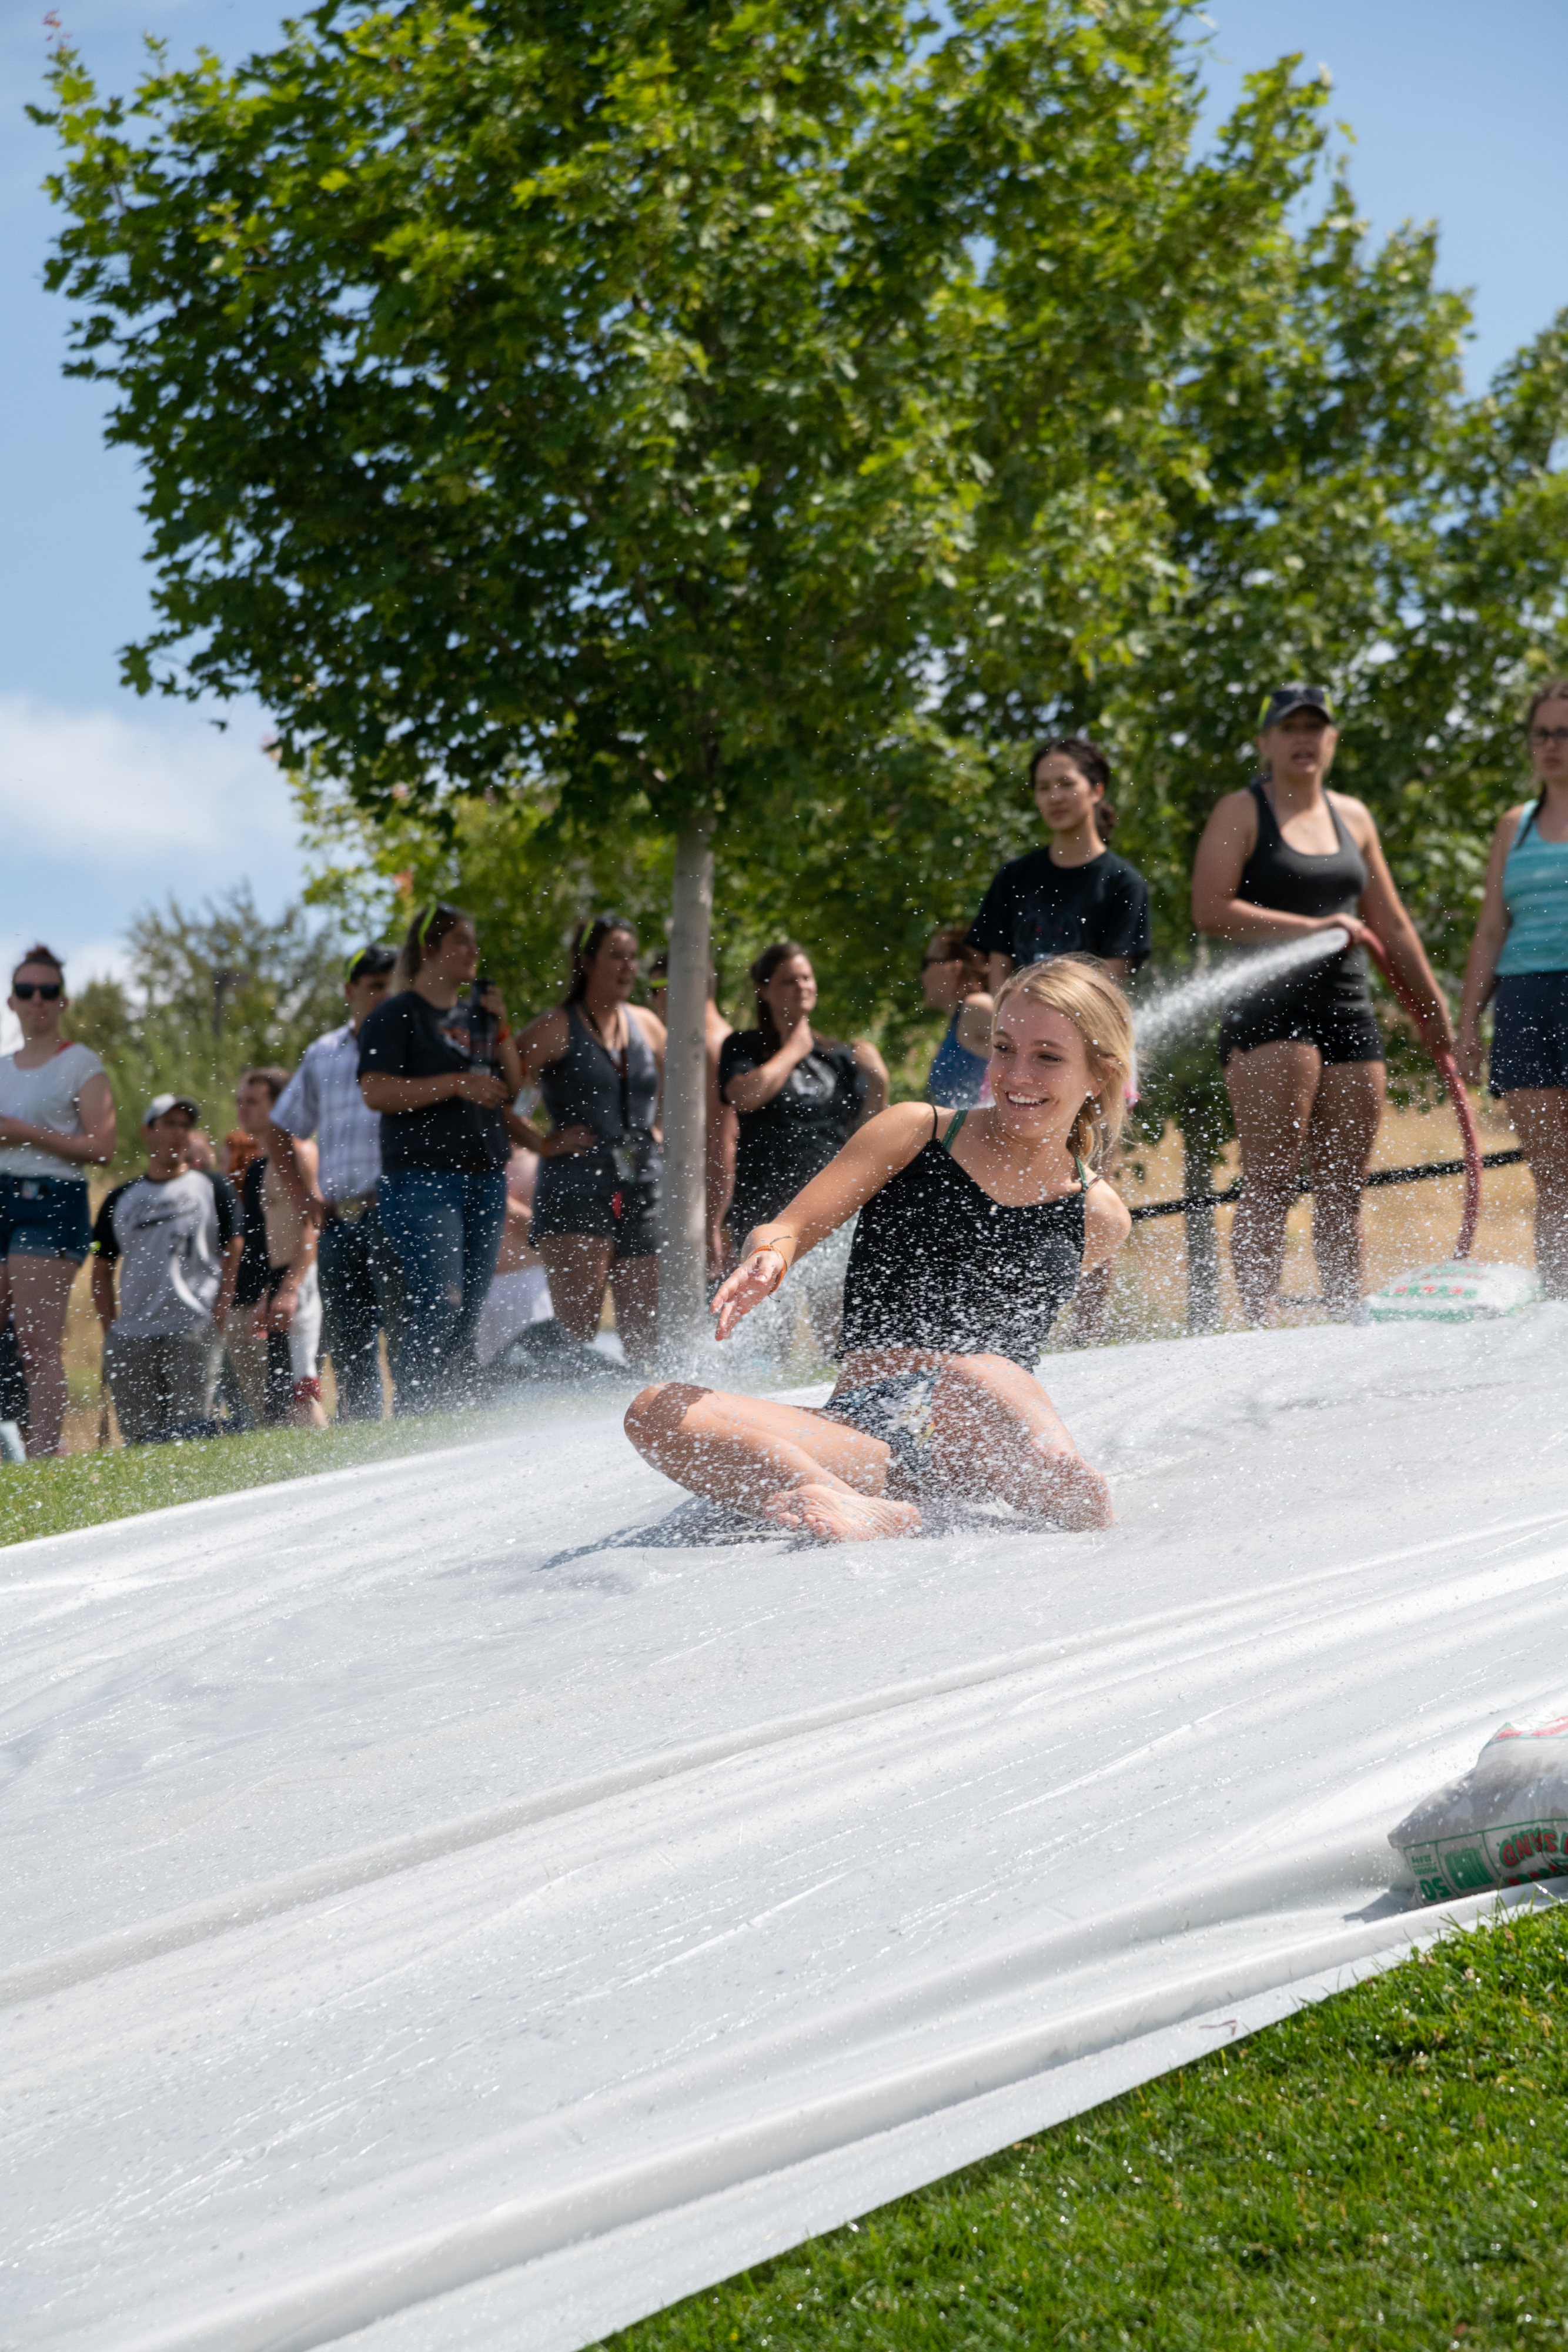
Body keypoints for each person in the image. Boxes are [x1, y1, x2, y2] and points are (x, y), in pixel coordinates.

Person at [624, 956, 1130, 1542]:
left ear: (1099, 1075)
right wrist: (771, 1257)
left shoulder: (1100, 1215)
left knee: (981, 1370)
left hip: (974, 1437)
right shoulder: (915, 1131)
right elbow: (787, 1226)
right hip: (863, 1429)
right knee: (656, 1409)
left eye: (1048, 1056)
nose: (1017, 1074)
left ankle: (1065, 1485)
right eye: (1003, 1047)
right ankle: (864, 1506)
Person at [1191, 683, 1453, 1324]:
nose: (1303, 739)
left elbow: (1390, 923)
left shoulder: (1354, 817)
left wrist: (1433, 1007)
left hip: (1347, 1008)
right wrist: (1314, 929)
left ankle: (1344, 1324)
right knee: (1272, 1177)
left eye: (1316, 728)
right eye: (1289, 728)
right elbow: (1210, 910)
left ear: (1332, 741)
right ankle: (1260, 1324)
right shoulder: (1241, 809)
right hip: (1267, 1009)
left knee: (1344, 1188)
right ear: (1265, 742)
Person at [358, 904, 523, 1411]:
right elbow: (376, 1092)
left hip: (486, 1181)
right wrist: (455, 1084)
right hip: (423, 1182)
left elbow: (513, 1088)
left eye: (474, 943)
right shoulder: (394, 1015)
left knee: (468, 1310)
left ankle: (447, 1415)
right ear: (429, 950)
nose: (474, 952)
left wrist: (501, 1027)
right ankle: (415, 1415)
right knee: (440, 1303)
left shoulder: (480, 1018)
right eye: (460, 942)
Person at [1457, 680, 1568, 1297]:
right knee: (1552, 1179)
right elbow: (1492, 929)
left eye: (1564, 732)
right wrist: (1469, 1022)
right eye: (1541, 733)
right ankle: (1559, 1312)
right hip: (1525, 1002)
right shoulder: (1514, 825)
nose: (1551, 745)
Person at [519, 916, 666, 1368]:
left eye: (632, 957)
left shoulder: (646, 1024)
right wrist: (541, 1143)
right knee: (575, 1340)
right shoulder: (553, 1027)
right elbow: (499, 1099)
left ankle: (645, 1430)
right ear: (586, 962)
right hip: (576, 1188)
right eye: (615, 955)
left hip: (642, 1187)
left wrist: (657, 1132)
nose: (627, 966)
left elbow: (680, 1089)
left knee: (647, 1342)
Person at [268, 944, 399, 1418]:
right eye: (375, 987)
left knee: (405, 1338)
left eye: (392, 986)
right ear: (350, 991)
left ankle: (415, 1440)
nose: (385, 996)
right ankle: (362, 1440)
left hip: (397, 1210)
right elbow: (279, 1129)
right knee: (349, 1346)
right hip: (339, 1222)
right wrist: (303, 1195)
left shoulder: (414, 1044)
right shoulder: (325, 1053)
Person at [0, 944, 116, 1454]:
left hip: (51, 1199)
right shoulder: (2, 1067)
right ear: (12, 1002)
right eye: (27, 991)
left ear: (63, 1002)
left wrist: (24, 1133)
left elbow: (103, 1147)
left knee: (36, 1342)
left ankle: (47, 1460)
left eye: (49, 991)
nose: (38, 1000)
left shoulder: (81, 1064)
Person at [91, 1095, 243, 1444]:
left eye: (185, 1126)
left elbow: (235, 1247)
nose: (179, 1134)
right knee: (140, 1440)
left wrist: (220, 1312)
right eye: (169, 1125)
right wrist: (111, 1328)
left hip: (193, 1328)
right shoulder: (120, 1198)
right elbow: (100, 1263)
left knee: (193, 1433)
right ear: (148, 1131)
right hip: (133, 1335)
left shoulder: (212, 1187)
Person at [718, 941, 889, 1243]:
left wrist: (879, 1082)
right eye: (789, 980)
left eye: (807, 978)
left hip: (828, 1203)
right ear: (764, 989)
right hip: (764, 1207)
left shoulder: (838, 1055)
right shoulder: (743, 1046)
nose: (802, 986)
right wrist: (794, 1049)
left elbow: (864, 1133)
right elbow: (743, 1098)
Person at [968, 739, 1152, 995]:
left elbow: (1109, 986)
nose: (1055, 797)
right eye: (1043, 788)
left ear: (1097, 790)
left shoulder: (1123, 884)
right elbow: (999, 974)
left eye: (1066, 784)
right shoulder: (1013, 878)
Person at [227, 1067, 326, 1429]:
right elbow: (272, 1241)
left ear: (281, 1104)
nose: (243, 1109)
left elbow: (311, 1227)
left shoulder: (302, 1152)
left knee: (302, 1387)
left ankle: (340, 1473)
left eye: (253, 1101)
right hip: (279, 1280)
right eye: (239, 1102)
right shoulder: (261, 1167)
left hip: (303, 1278)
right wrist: (269, 1291)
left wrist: (289, 1289)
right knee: (279, 1400)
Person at [648, 950, 737, 1272]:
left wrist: (710, 1224)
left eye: (654, 989)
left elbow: (723, 1143)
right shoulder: (695, 1045)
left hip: (718, 1208)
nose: (652, 1001)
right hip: (706, 1202)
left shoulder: (712, 1046)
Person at [474, 1142, 551, 1366]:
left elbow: (551, 1232)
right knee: (483, 1375)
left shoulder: (536, 1162)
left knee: (535, 1366)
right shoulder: (468, 1161)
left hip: (527, 1287)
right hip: (482, 1290)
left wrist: (507, 1205)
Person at [920, 927, 994, 1107]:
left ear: (954, 967)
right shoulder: (961, 1017)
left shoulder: (976, 1006)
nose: (921, 975)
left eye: (926, 964)